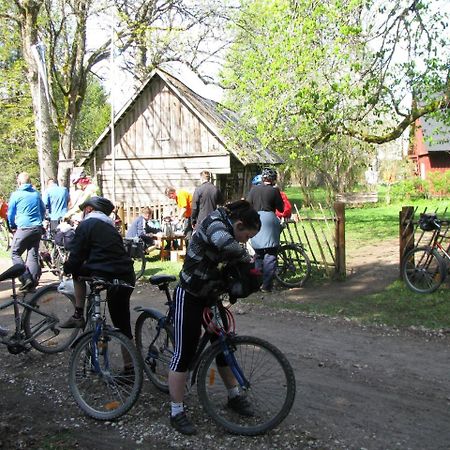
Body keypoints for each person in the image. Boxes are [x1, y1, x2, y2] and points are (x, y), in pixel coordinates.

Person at [168, 200, 261, 435]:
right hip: (189, 295)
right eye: (247, 236)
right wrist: (247, 257)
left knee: (223, 346)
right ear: (239, 225)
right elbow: (224, 243)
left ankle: (234, 395)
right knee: (184, 353)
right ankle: (176, 411)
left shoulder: (232, 230)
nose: (246, 242)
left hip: (211, 296)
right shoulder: (215, 224)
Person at [60, 196, 135, 347]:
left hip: (104, 273)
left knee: (77, 273)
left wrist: (66, 269)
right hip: (126, 273)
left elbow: (76, 256)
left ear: (89, 209)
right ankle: (130, 366)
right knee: (122, 324)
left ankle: (78, 314)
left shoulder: (86, 225)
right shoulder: (111, 228)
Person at [246, 168, 284, 293]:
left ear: (263, 178)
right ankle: (266, 286)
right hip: (270, 220)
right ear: (273, 179)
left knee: (258, 254)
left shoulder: (253, 190)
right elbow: (281, 208)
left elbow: (247, 205)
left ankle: (257, 283)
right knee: (271, 254)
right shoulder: (274, 191)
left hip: (256, 220)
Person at [7, 172, 45, 292]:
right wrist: (40, 220)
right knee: (33, 254)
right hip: (37, 228)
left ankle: (25, 277)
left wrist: (12, 225)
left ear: (19, 182)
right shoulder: (36, 194)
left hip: (24, 227)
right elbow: (43, 209)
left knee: (14, 252)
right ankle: (32, 284)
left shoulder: (16, 195)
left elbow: (10, 212)